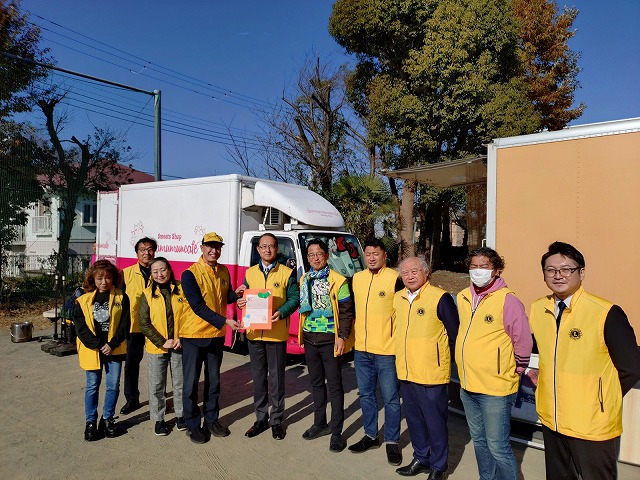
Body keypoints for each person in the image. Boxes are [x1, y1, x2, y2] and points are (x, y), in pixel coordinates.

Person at [529, 241, 640, 480]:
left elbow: (632, 367)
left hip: (591, 424)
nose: (558, 275)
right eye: (551, 270)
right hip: (552, 419)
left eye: (566, 269)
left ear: (581, 273)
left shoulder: (605, 313)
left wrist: (600, 398)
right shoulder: (538, 308)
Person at [456, 247, 532, 480]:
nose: (478, 271)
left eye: (484, 266)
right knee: (479, 441)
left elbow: (523, 341)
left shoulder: (508, 300)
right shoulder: (463, 297)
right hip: (468, 386)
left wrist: (517, 369)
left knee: (498, 447)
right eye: (474, 266)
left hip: (495, 389)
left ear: (496, 270)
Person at [393, 256, 459, 480]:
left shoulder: (440, 298)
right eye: (405, 273)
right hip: (406, 371)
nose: (409, 276)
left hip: (431, 374)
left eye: (415, 271)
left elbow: (455, 334)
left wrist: (443, 361)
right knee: (414, 421)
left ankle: (439, 466)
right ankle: (421, 458)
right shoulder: (398, 298)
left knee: (435, 423)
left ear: (426, 272)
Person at [235, 233, 300, 440]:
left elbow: (295, 299)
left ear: (276, 249)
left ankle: (277, 420)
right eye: (263, 246)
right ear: (258, 249)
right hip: (254, 334)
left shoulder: (287, 273)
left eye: (271, 246)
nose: (267, 250)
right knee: (258, 379)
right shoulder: (250, 273)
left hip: (276, 335)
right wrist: (240, 302)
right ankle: (260, 419)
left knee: (277, 380)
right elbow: (244, 298)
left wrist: (282, 312)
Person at [180, 232, 240, 444]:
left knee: (214, 382)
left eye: (217, 247)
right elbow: (197, 306)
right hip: (194, 335)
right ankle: (192, 424)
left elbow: (225, 295)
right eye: (210, 246)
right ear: (202, 247)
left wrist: (238, 295)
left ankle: (212, 420)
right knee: (191, 384)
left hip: (215, 336)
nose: (214, 250)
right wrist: (225, 321)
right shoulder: (190, 274)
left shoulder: (223, 271)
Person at [348, 238, 403, 466]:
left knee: (390, 398)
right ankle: (371, 435)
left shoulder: (395, 279)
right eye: (368, 254)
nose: (371, 258)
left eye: (376, 254)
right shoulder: (357, 279)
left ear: (384, 256)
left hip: (387, 350)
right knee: (366, 395)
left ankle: (392, 441)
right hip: (361, 350)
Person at [298, 238, 355, 453]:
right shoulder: (305, 279)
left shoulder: (339, 281)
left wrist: (342, 337)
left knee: (334, 386)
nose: (315, 258)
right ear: (307, 257)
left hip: (330, 340)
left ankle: (337, 432)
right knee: (316, 384)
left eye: (319, 254)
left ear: (327, 255)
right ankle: (320, 423)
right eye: (311, 254)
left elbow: (346, 312)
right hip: (310, 338)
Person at [73, 259, 130, 441]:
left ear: (113, 278)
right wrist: (98, 344)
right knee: (92, 385)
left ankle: (108, 419)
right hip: (93, 350)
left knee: (113, 385)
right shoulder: (82, 301)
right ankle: (90, 422)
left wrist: (111, 344)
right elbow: (81, 328)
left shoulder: (122, 297)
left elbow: (125, 324)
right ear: (93, 279)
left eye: (108, 277)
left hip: (115, 349)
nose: (104, 282)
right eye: (99, 278)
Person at [138, 257, 187, 436]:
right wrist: (161, 341)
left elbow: (189, 315)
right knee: (157, 385)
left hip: (179, 345)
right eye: (155, 271)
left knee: (180, 383)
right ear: (151, 274)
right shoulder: (147, 294)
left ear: (169, 270)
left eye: (163, 269)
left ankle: (181, 416)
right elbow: (143, 323)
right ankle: (159, 419)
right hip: (156, 347)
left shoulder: (182, 289)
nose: (160, 274)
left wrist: (182, 337)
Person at [120, 237, 156, 415]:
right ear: (137, 253)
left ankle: (158, 397)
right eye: (142, 249)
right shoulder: (126, 274)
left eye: (150, 249)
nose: (146, 253)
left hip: (156, 326)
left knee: (158, 363)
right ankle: (132, 398)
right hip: (134, 327)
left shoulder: (159, 272)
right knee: (131, 364)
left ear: (154, 252)